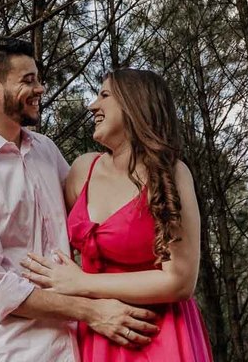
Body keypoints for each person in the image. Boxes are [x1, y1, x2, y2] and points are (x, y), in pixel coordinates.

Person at [0, 38, 160, 362]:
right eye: (28, 80)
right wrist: (92, 311)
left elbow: (93, 223)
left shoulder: (46, 151)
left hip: (79, 348)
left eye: (38, 79)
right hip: (12, 353)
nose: (40, 88)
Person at [21, 68, 214, 361]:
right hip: (97, 334)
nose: (92, 105)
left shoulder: (171, 173)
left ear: (135, 103)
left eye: (104, 95)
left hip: (158, 334)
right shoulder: (82, 171)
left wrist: (82, 283)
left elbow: (180, 281)